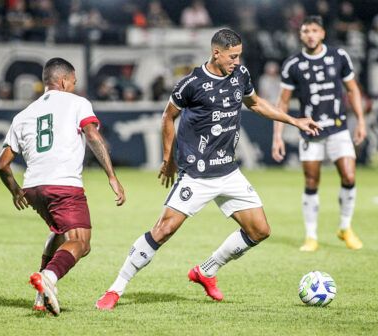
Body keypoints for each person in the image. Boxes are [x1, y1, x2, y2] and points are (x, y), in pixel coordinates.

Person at [95, 28, 321, 310]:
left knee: (260, 230)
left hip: (228, 171)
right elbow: (168, 117)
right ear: (216, 53)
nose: (237, 61)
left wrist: (294, 120)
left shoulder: (241, 75)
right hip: (197, 174)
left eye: (239, 56)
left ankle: (207, 270)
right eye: (232, 56)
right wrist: (169, 158)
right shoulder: (191, 83)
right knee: (163, 231)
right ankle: (115, 289)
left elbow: (256, 103)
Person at [0, 57, 126, 316]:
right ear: (64, 80)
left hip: (33, 188)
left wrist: (15, 191)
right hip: (64, 185)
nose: (75, 87)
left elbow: (2, 164)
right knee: (81, 243)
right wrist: (111, 175)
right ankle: (48, 278)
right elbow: (92, 135)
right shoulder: (78, 103)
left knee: (60, 231)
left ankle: (39, 295)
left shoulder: (24, 114)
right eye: (74, 82)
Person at [271, 16, 366, 252]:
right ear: (300, 35)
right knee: (312, 181)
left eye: (314, 30)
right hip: (310, 131)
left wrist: (361, 121)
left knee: (349, 176)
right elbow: (282, 102)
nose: (310, 35)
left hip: (338, 128)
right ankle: (311, 236)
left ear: (322, 33)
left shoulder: (338, 56)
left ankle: (345, 227)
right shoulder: (292, 64)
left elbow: (352, 89)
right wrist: (277, 136)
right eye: (306, 31)